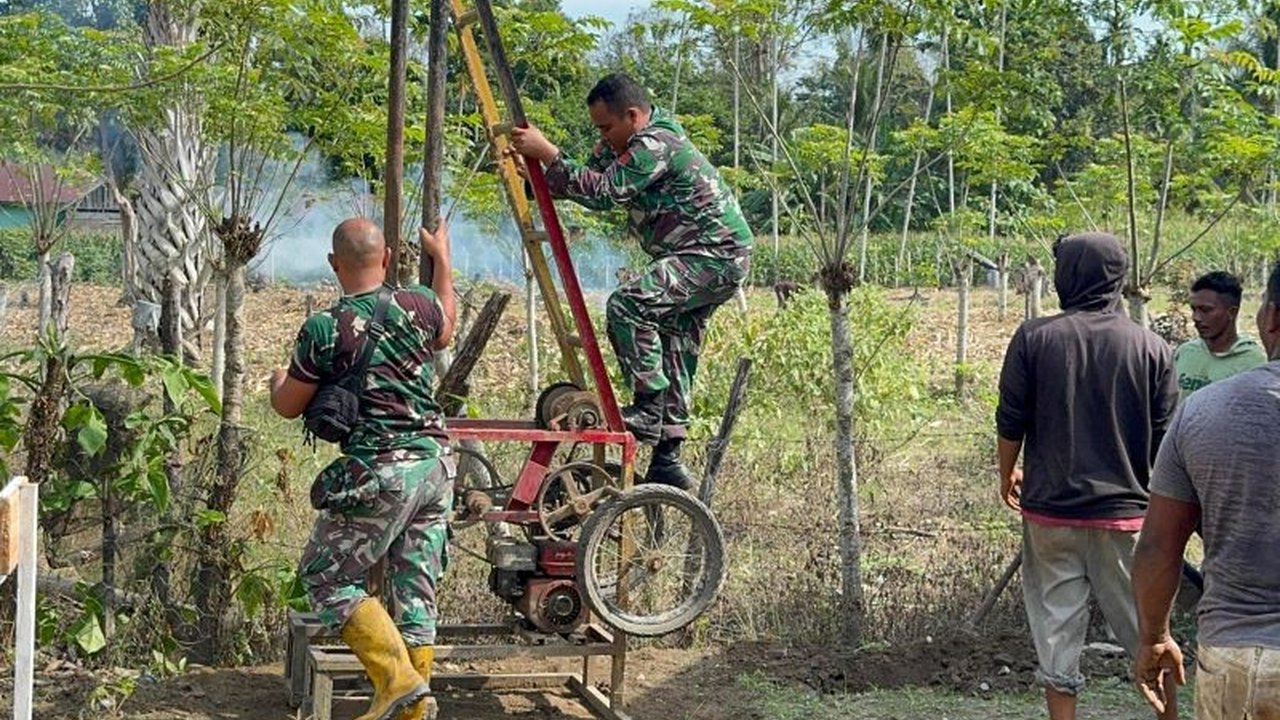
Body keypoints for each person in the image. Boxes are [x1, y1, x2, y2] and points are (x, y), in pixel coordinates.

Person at [509, 72, 752, 491]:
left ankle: (648, 405)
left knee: (629, 304)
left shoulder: (656, 143)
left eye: (607, 127)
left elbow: (607, 192)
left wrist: (548, 153)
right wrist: (534, 179)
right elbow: (587, 183)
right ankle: (667, 455)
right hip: (698, 255)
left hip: (716, 253)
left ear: (633, 116)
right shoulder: (621, 144)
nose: (602, 137)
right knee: (676, 341)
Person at [269, 218, 455, 720]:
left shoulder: (326, 328)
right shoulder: (419, 303)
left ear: (334, 264)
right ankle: (415, 710)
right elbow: (446, 326)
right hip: (437, 466)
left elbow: (289, 405)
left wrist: (276, 380)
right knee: (416, 588)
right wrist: (442, 257)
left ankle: (395, 682)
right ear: (388, 257)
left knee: (325, 577)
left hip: (382, 470)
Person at [995, 232, 1179, 720]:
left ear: (1066, 277)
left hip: (1049, 514)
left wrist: (1006, 473)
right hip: (1128, 519)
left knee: (1057, 633)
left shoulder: (1034, 338)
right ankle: (1168, 714)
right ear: (1116, 278)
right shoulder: (1153, 348)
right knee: (1149, 629)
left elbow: (1011, 418)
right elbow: (1167, 442)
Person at [1132, 262, 1280, 719]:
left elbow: (1158, 546)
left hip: (1235, 654)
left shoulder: (1201, 411)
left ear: (1268, 318)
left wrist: (1154, 637)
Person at [1173, 270, 1267, 396]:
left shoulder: (1252, 363)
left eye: (1205, 310)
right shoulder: (1185, 353)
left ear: (1231, 312)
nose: (1196, 317)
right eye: (1194, 309)